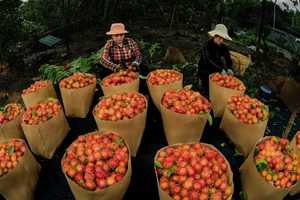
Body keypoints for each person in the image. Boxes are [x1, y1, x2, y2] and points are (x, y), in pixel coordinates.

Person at [198, 24, 234, 95]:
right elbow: (207, 60)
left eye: (223, 38)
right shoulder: (206, 46)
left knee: (219, 87)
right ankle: (202, 84)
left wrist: (230, 68)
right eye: (220, 38)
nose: (221, 40)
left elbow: (228, 59)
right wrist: (220, 69)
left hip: (217, 70)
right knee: (206, 90)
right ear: (215, 36)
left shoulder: (223, 48)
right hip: (205, 69)